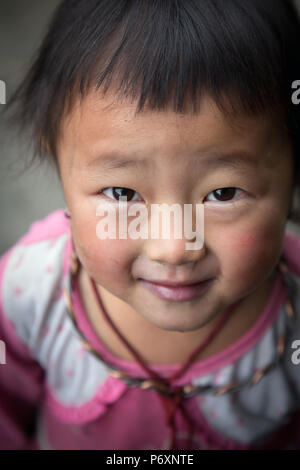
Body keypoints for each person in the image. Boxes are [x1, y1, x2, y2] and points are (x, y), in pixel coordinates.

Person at [1, 0, 300, 450]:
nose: (174, 248)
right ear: (58, 159)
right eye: (123, 194)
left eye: (222, 194)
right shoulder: (29, 292)